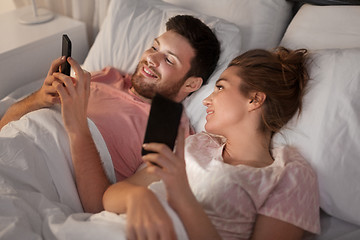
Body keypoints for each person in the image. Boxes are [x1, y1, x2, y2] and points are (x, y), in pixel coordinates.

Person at [0, 15, 220, 213]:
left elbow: (99, 206)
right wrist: (39, 98)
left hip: (42, 177)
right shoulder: (105, 76)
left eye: (170, 60)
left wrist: (77, 125)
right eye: (154, 47)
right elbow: (5, 125)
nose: (152, 59)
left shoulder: (174, 134)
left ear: (191, 83)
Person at [102, 47, 321, 240]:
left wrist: (181, 194)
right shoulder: (197, 145)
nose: (206, 100)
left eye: (220, 88)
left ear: (254, 100)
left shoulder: (289, 175)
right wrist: (138, 196)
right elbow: (110, 198)